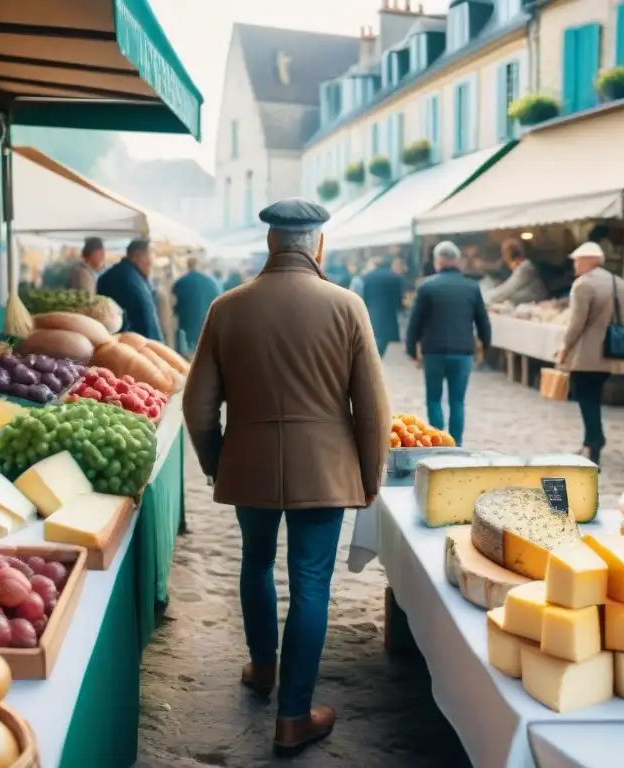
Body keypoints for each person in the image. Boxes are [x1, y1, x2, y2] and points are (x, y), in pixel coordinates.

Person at [182, 197, 390, 757]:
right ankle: (294, 716)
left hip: (249, 459)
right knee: (312, 582)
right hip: (324, 467)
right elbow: (372, 408)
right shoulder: (347, 306)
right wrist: (371, 475)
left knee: (254, 561)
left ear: (271, 244)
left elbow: (197, 405)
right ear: (319, 245)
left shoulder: (227, 307)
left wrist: (216, 459)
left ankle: (263, 668)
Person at [554, 242, 624, 466]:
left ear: (588, 261)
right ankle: (593, 439)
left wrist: (565, 348)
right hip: (612, 350)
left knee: (585, 396)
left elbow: (576, 323)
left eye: (577, 261)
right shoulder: (620, 284)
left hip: (587, 353)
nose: (575, 265)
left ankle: (593, 442)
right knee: (593, 395)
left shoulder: (583, 285)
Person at [405, 241, 490, 445]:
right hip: (462, 352)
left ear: (437, 261)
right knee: (457, 401)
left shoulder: (426, 287)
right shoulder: (471, 287)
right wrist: (484, 346)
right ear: (457, 261)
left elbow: (414, 323)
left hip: (433, 351)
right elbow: (483, 321)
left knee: (434, 398)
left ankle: (438, 442)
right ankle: (456, 444)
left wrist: (412, 351)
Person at [96, 238, 164, 342]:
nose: (151, 262)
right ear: (137, 255)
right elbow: (145, 320)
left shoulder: (131, 275)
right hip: (134, 345)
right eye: (150, 256)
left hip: (128, 343)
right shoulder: (127, 278)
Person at [172, 256, 221, 356]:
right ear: (198, 265)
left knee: (187, 357)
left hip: (186, 326)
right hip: (205, 324)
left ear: (188, 266)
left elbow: (174, 305)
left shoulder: (180, 283)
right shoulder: (210, 282)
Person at [360, 256, 406, 357]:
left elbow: (364, 296)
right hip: (389, 313)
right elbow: (399, 297)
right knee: (386, 337)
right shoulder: (395, 277)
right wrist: (400, 308)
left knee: (375, 335)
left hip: (372, 312)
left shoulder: (367, 277)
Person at [485, 239, 548, 305]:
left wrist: (487, 297)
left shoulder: (525, 268)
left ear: (507, 254)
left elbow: (507, 289)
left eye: (504, 253)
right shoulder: (524, 267)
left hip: (536, 300)